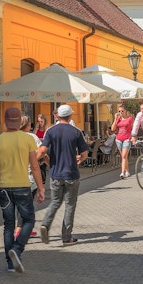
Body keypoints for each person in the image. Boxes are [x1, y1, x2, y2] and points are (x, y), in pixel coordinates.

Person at [0, 107, 44, 273]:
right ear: (19, 122)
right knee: (29, 220)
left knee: (8, 225)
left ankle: (10, 264)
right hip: (23, 187)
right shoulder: (27, 140)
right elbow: (34, 166)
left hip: (4, 189)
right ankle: (17, 249)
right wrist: (41, 188)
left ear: (5, 121)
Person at [39, 104, 88, 246]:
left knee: (55, 202)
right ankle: (66, 237)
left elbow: (42, 151)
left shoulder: (50, 131)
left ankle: (45, 225)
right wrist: (80, 158)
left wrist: (33, 160)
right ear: (70, 116)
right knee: (70, 205)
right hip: (71, 173)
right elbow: (84, 154)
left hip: (55, 174)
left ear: (58, 116)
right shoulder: (76, 132)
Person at [14, 115, 45, 239]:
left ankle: (24, 228)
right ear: (27, 125)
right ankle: (20, 230)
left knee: (21, 204)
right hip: (28, 177)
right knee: (27, 204)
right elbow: (41, 152)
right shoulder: (32, 137)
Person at [111, 104, 133, 179]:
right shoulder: (118, 119)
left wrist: (132, 137)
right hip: (118, 139)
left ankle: (122, 173)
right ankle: (127, 171)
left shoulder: (129, 118)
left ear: (125, 111)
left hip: (127, 139)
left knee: (123, 156)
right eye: (119, 111)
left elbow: (131, 127)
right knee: (124, 157)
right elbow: (112, 129)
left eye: (122, 111)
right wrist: (115, 119)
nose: (121, 112)